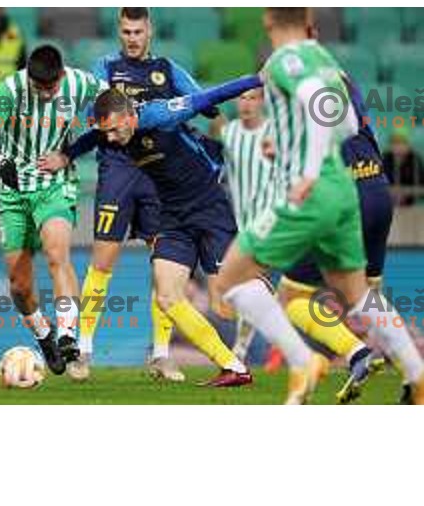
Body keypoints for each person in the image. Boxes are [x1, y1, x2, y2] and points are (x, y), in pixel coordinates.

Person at [43, 78, 331, 403]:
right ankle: (233, 367)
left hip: (209, 208)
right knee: (167, 296)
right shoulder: (113, 129)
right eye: (105, 132)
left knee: (226, 303)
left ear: (128, 116)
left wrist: (259, 79)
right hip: (173, 217)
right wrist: (66, 155)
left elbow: (211, 95)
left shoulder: (159, 115)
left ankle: (283, 312)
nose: (109, 139)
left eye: (113, 131)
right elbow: (94, 136)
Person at [211, 7, 424, 405]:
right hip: (348, 188)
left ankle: (303, 361)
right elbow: (343, 121)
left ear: (269, 23)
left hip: (316, 191)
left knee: (230, 282)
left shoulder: (283, 61)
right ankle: (417, 373)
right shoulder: (328, 62)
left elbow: (313, 101)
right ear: (309, 24)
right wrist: (292, 145)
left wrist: (308, 169)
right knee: (357, 292)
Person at [42, 7, 215, 382]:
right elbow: (97, 118)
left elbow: (203, 102)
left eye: (137, 31)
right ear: (119, 32)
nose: (132, 38)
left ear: (149, 30)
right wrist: (68, 154)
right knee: (103, 262)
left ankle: (162, 355)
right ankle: (83, 350)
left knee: (164, 266)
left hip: (158, 177)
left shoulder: (168, 70)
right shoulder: (106, 68)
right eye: (126, 31)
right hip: (118, 172)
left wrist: (199, 106)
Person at [222, 85, 385, 404]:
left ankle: (338, 355)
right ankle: (409, 371)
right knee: (365, 291)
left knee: (288, 297)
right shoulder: (348, 93)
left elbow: (304, 159)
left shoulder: (303, 103)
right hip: (378, 193)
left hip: (334, 204)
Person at [0, 45, 107, 377]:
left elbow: (114, 101)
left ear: (61, 75)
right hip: (15, 192)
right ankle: (43, 334)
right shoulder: (10, 89)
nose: (46, 94)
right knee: (19, 285)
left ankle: (68, 337)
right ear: (29, 78)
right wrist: (0, 163)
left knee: (57, 254)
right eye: (39, 88)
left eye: (51, 87)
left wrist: (73, 150)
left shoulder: (80, 83)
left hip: (54, 184)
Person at [382, 127, 424, 206]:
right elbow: (376, 186)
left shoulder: (415, 160)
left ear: (409, 144)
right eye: (395, 142)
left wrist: (406, 192)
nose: (398, 147)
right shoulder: (384, 159)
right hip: (388, 205)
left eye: (402, 142)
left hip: (411, 206)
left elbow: (421, 188)